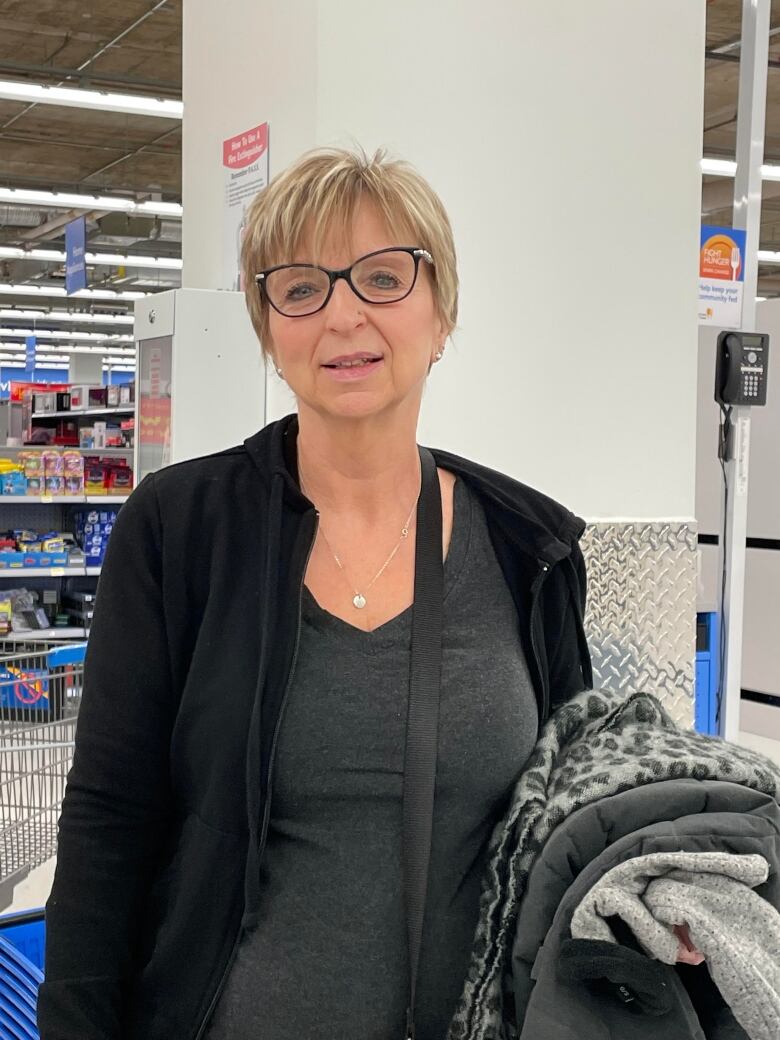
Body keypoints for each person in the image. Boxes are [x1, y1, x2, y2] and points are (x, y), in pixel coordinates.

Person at [38, 146, 593, 1040]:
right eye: (301, 287)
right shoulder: (182, 529)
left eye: (383, 277)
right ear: (269, 326)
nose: (343, 315)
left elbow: (580, 799)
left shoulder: (529, 545)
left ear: (442, 310)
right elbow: (110, 817)